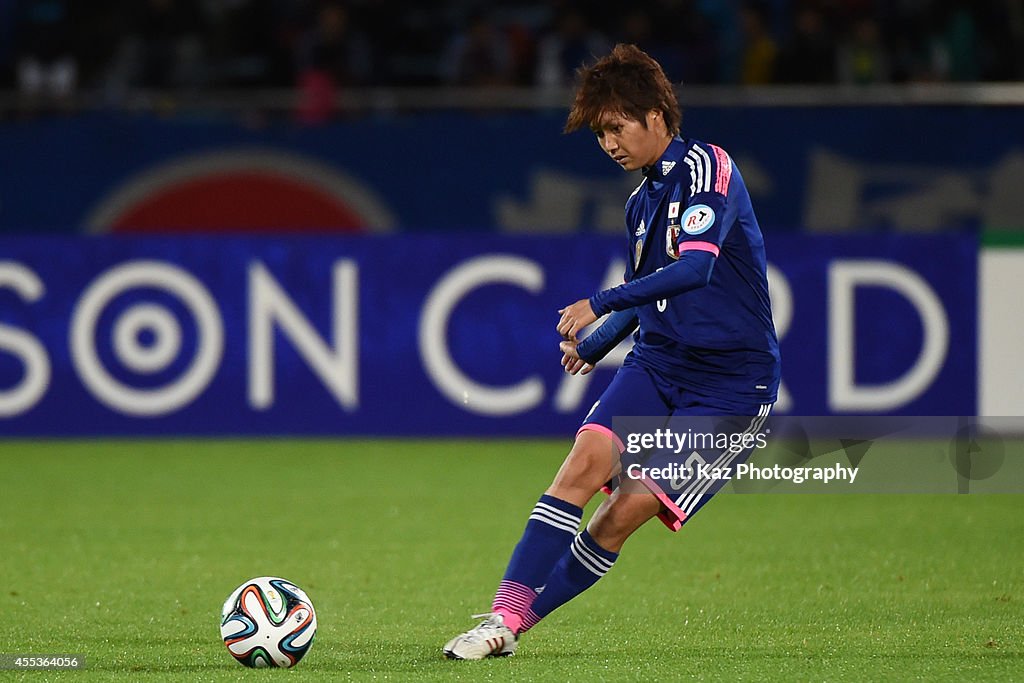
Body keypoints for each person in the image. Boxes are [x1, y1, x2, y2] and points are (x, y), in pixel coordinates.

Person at [442, 43, 781, 660]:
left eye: (616, 127)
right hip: (661, 360)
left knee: (626, 511)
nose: (609, 144)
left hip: (734, 384)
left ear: (656, 114)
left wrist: (598, 303)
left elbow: (695, 269)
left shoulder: (709, 169)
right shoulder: (639, 202)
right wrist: (599, 343)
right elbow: (650, 294)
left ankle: (523, 621)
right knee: (584, 460)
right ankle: (500, 620)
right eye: (600, 133)